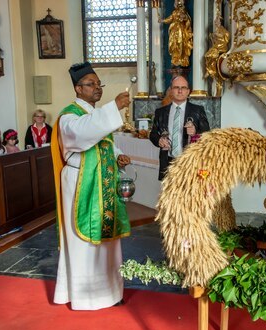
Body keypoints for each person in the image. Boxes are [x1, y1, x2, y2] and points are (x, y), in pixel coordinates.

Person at [51, 62, 132, 310]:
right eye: (91, 84)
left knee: (108, 241)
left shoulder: (95, 115)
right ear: (78, 88)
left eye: (99, 84)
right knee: (83, 242)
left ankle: (111, 291)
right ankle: (86, 296)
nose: (97, 88)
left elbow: (103, 142)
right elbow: (82, 135)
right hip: (80, 183)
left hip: (103, 182)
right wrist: (114, 107)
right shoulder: (70, 115)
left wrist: (118, 155)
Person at [149, 75, 210, 180]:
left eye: (183, 88)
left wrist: (195, 131)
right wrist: (159, 140)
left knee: (189, 194)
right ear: (171, 91)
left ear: (188, 91)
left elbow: (208, 135)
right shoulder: (161, 112)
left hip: (190, 161)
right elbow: (153, 134)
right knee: (169, 194)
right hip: (168, 162)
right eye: (176, 87)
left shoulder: (198, 110)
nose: (180, 91)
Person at [161, 0, 193, 67]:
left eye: (178, 3)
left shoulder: (183, 11)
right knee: (174, 44)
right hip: (174, 31)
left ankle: (181, 59)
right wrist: (162, 20)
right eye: (175, 3)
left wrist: (183, 17)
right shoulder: (174, 12)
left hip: (181, 31)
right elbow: (170, 19)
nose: (176, 4)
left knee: (180, 43)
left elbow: (187, 19)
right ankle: (175, 59)